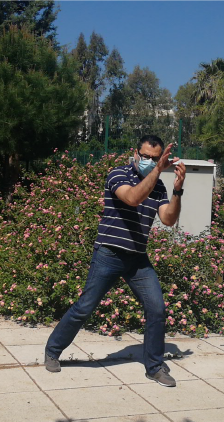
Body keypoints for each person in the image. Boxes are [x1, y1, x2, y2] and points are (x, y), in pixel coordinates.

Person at [43, 135, 186, 387]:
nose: (150, 162)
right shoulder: (117, 174)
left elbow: (168, 219)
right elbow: (132, 198)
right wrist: (157, 173)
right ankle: (53, 350)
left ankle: (153, 367)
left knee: (157, 309)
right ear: (135, 153)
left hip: (138, 259)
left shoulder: (160, 187)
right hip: (109, 253)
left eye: (155, 158)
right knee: (85, 307)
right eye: (146, 157)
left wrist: (177, 190)